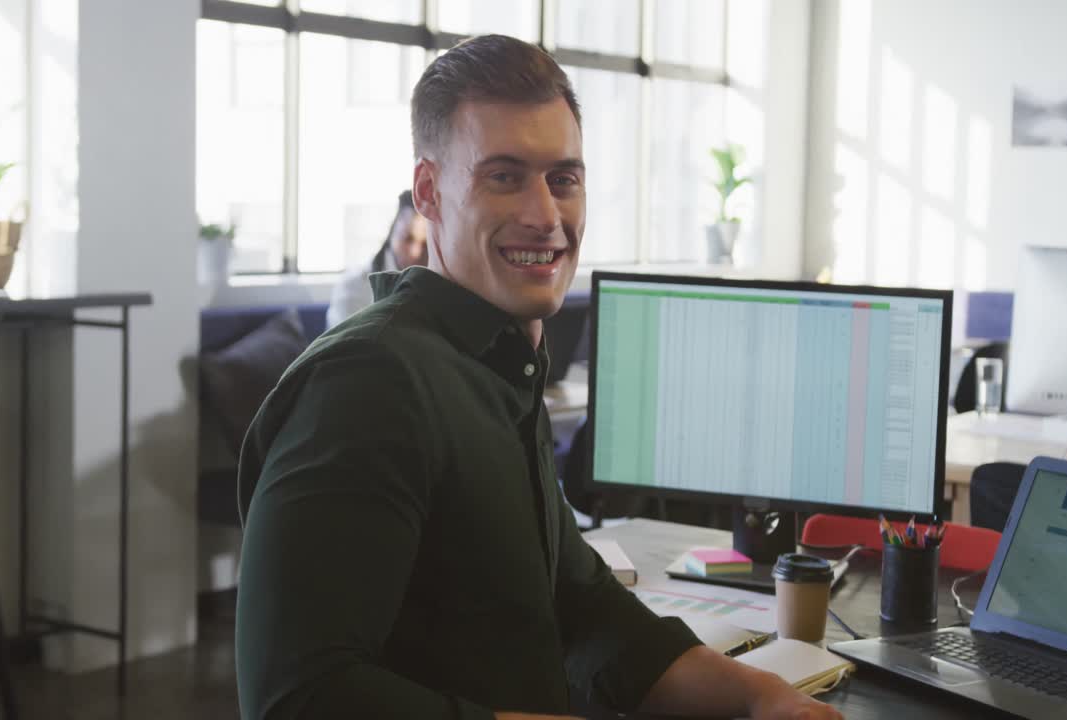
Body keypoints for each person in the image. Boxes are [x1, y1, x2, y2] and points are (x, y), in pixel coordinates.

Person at [235, 34, 843, 720]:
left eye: (564, 178)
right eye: (504, 176)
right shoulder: (369, 383)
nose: (546, 215)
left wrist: (763, 697)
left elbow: (583, 604)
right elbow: (298, 698)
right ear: (430, 193)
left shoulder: (495, 365)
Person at [325, 190, 428, 328]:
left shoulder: (433, 285)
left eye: (425, 244)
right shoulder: (353, 288)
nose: (416, 253)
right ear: (392, 232)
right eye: (407, 238)